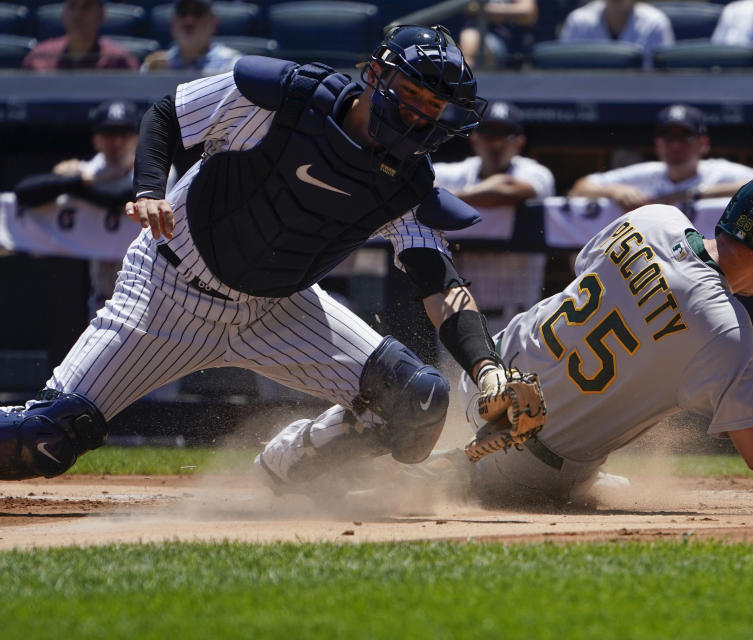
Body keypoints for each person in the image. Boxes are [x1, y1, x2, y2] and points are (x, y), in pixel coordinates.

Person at [0, 25, 535, 484]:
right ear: (376, 75)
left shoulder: (406, 181)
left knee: (417, 403)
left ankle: (290, 465)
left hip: (279, 309)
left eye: (434, 108)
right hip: (167, 290)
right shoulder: (286, 99)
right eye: (413, 95)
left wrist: (486, 367)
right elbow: (168, 113)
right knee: (47, 436)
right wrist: (148, 191)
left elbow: (436, 280)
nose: (420, 116)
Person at [442, 173, 753, 508]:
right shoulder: (724, 330)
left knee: (614, 483)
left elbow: (584, 269)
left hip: (478, 378)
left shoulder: (655, 218)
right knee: (587, 479)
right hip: (524, 467)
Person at [433, 100, 556, 331]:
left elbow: (510, 189)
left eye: (506, 134)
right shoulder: (455, 173)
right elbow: (422, 188)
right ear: (474, 137)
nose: (497, 143)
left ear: (520, 142)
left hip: (519, 319)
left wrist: (451, 198)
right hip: (458, 314)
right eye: (489, 133)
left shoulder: (535, 172)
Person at [13, 99, 140, 316]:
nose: (117, 142)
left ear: (137, 139)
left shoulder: (154, 170)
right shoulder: (91, 171)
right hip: (103, 298)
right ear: (96, 140)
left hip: (151, 295)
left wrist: (80, 186)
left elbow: (120, 197)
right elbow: (25, 192)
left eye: (124, 134)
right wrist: (77, 181)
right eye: (109, 134)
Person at [568, 104, 753, 234]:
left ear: (703, 143)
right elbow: (579, 189)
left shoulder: (717, 171)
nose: (676, 146)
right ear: (657, 145)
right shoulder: (649, 172)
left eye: (685, 137)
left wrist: (692, 194)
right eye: (669, 138)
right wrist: (614, 190)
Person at [22, 0, 139, 71]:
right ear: (63, 14)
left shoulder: (119, 61)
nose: (78, 14)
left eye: (86, 6)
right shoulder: (39, 57)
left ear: (101, 15)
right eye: (72, 6)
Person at [141, 0, 242, 74]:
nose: (189, 21)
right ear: (172, 23)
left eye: (198, 13)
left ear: (214, 24)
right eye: (183, 13)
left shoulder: (232, 65)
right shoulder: (155, 65)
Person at [560, 0, 674, 52]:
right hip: (588, 99)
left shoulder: (655, 23)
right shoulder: (578, 22)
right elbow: (563, 79)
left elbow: (666, 82)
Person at [458, 0, 538, 69]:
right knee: (469, 38)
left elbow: (527, 12)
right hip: (474, 36)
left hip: (511, 45)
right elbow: (469, 7)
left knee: (471, 38)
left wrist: (486, 10)